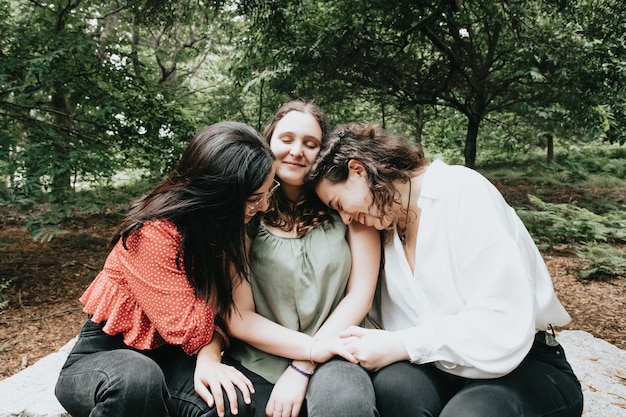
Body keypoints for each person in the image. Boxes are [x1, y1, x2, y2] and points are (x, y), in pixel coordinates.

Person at [307, 122, 584, 417]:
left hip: (522, 363)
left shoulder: (462, 191)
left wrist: (404, 343)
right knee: (392, 389)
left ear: (358, 170)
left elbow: (501, 322)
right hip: (440, 368)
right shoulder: (386, 228)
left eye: (339, 204)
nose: (347, 219)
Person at [54, 122, 277, 417]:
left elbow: (224, 315)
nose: (264, 207)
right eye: (253, 199)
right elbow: (193, 328)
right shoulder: (153, 233)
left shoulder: (223, 228)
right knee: (138, 380)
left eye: (268, 191)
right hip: (105, 356)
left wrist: (210, 356)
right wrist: (215, 322)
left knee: (235, 401)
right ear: (218, 194)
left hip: (171, 360)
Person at [225, 101, 380, 417]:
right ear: (268, 142)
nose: (297, 151)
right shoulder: (245, 213)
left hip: (338, 351)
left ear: (322, 154)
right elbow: (238, 314)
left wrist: (304, 363)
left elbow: (360, 297)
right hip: (260, 357)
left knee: (345, 406)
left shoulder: (349, 206)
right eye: (286, 139)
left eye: (311, 144)